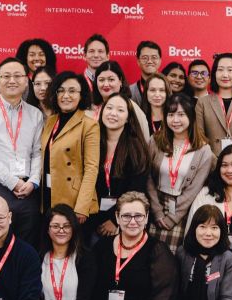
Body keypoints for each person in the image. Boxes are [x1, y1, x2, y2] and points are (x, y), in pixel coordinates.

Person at [0, 57, 44, 243]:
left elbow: (37, 152)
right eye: (6, 76)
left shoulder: (35, 114)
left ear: (26, 80)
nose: (12, 80)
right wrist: (13, 182)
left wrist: (34, 181)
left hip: (29, 192)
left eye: (17, 76)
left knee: (28, 245)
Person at [146, 93, 214, 253]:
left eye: (181, 115)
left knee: (173, 258)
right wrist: (157, 212)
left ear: (191, 116)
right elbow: (148, 178)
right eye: (171, 115)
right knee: (150, 255)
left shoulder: (203, 149)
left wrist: (173, 217)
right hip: (155, 205)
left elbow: (194, 189)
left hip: (182, 210)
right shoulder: (155, 141)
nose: (175, 120)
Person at [90, 94, 153, 241]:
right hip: (91, 216)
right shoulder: (91, 141)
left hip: (123, 218)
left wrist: (114, 218)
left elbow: (136, 189)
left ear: (128, 118)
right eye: (109, 108)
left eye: (120, 110)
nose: (113, 113)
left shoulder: (136, 148)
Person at [41, 72, 101, 220]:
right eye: (60, 90)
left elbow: (91, 169)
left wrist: (82, 207)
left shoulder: (89, 125)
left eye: (72, 91)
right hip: (48, 193)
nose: (65, 95)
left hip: (73, 198)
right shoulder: (50, 121)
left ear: (81, 95)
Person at [38, 205, 95, 300]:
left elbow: (84, 299)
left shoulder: (84, 258)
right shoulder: (39, 258)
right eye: (55, 226)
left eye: (66, 226)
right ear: (47, 229)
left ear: (73, 228)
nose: (61, 230)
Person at [129, 40, 163, 106]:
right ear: (138, 61)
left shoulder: (168, 88)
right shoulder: (130, 91)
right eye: (145, 58)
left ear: (160, 61)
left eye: (154, 58)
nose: (149, 61)